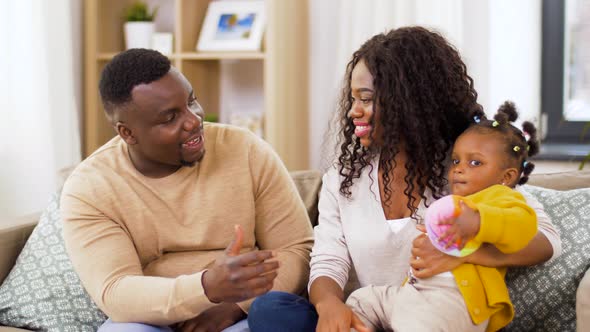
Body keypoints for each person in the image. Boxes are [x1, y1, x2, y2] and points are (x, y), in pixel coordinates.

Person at [247, 26, 561, 332]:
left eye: (366, 99)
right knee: (270, 311)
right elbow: (328, 260)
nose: (354, 111)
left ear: (410, 103)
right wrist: (330, 306)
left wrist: (460, 253)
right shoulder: (343, 178)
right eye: (353, 99)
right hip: (368, 313)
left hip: (432, 318)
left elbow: (545, 241)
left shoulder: (465, 170)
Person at [60, 48, 314, 332]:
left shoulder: (245, 149)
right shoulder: (90, 187)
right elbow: (116, 292)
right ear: (128, 133)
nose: (194, 121)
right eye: (169, 118)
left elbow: (297, 250)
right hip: (152, 318)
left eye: (191, 101)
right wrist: (206, 288)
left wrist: (232, 307)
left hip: (242, 313)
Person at [345, 101, 540, 331]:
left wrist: (478, 221)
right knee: (361, 301)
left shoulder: (500, 198)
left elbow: (523, 226)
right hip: (414, 294)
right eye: (456, 160)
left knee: (417, 325)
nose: (458, 168)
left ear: (506, 177)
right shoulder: (452, 201)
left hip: (454, 301)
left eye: (475, 162)